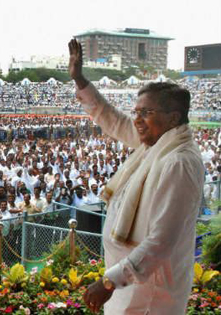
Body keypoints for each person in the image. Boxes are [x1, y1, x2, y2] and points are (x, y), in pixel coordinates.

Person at [68, 39, 204, 314]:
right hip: (130, 286)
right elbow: (115, 121)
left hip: (150, 295)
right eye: (136, 112)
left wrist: (109, 282)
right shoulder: (156, 144)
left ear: (173, 117)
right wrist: (80, 80)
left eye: (146, 113)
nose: (137, 120)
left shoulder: (178, 162)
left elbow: (161, 241)